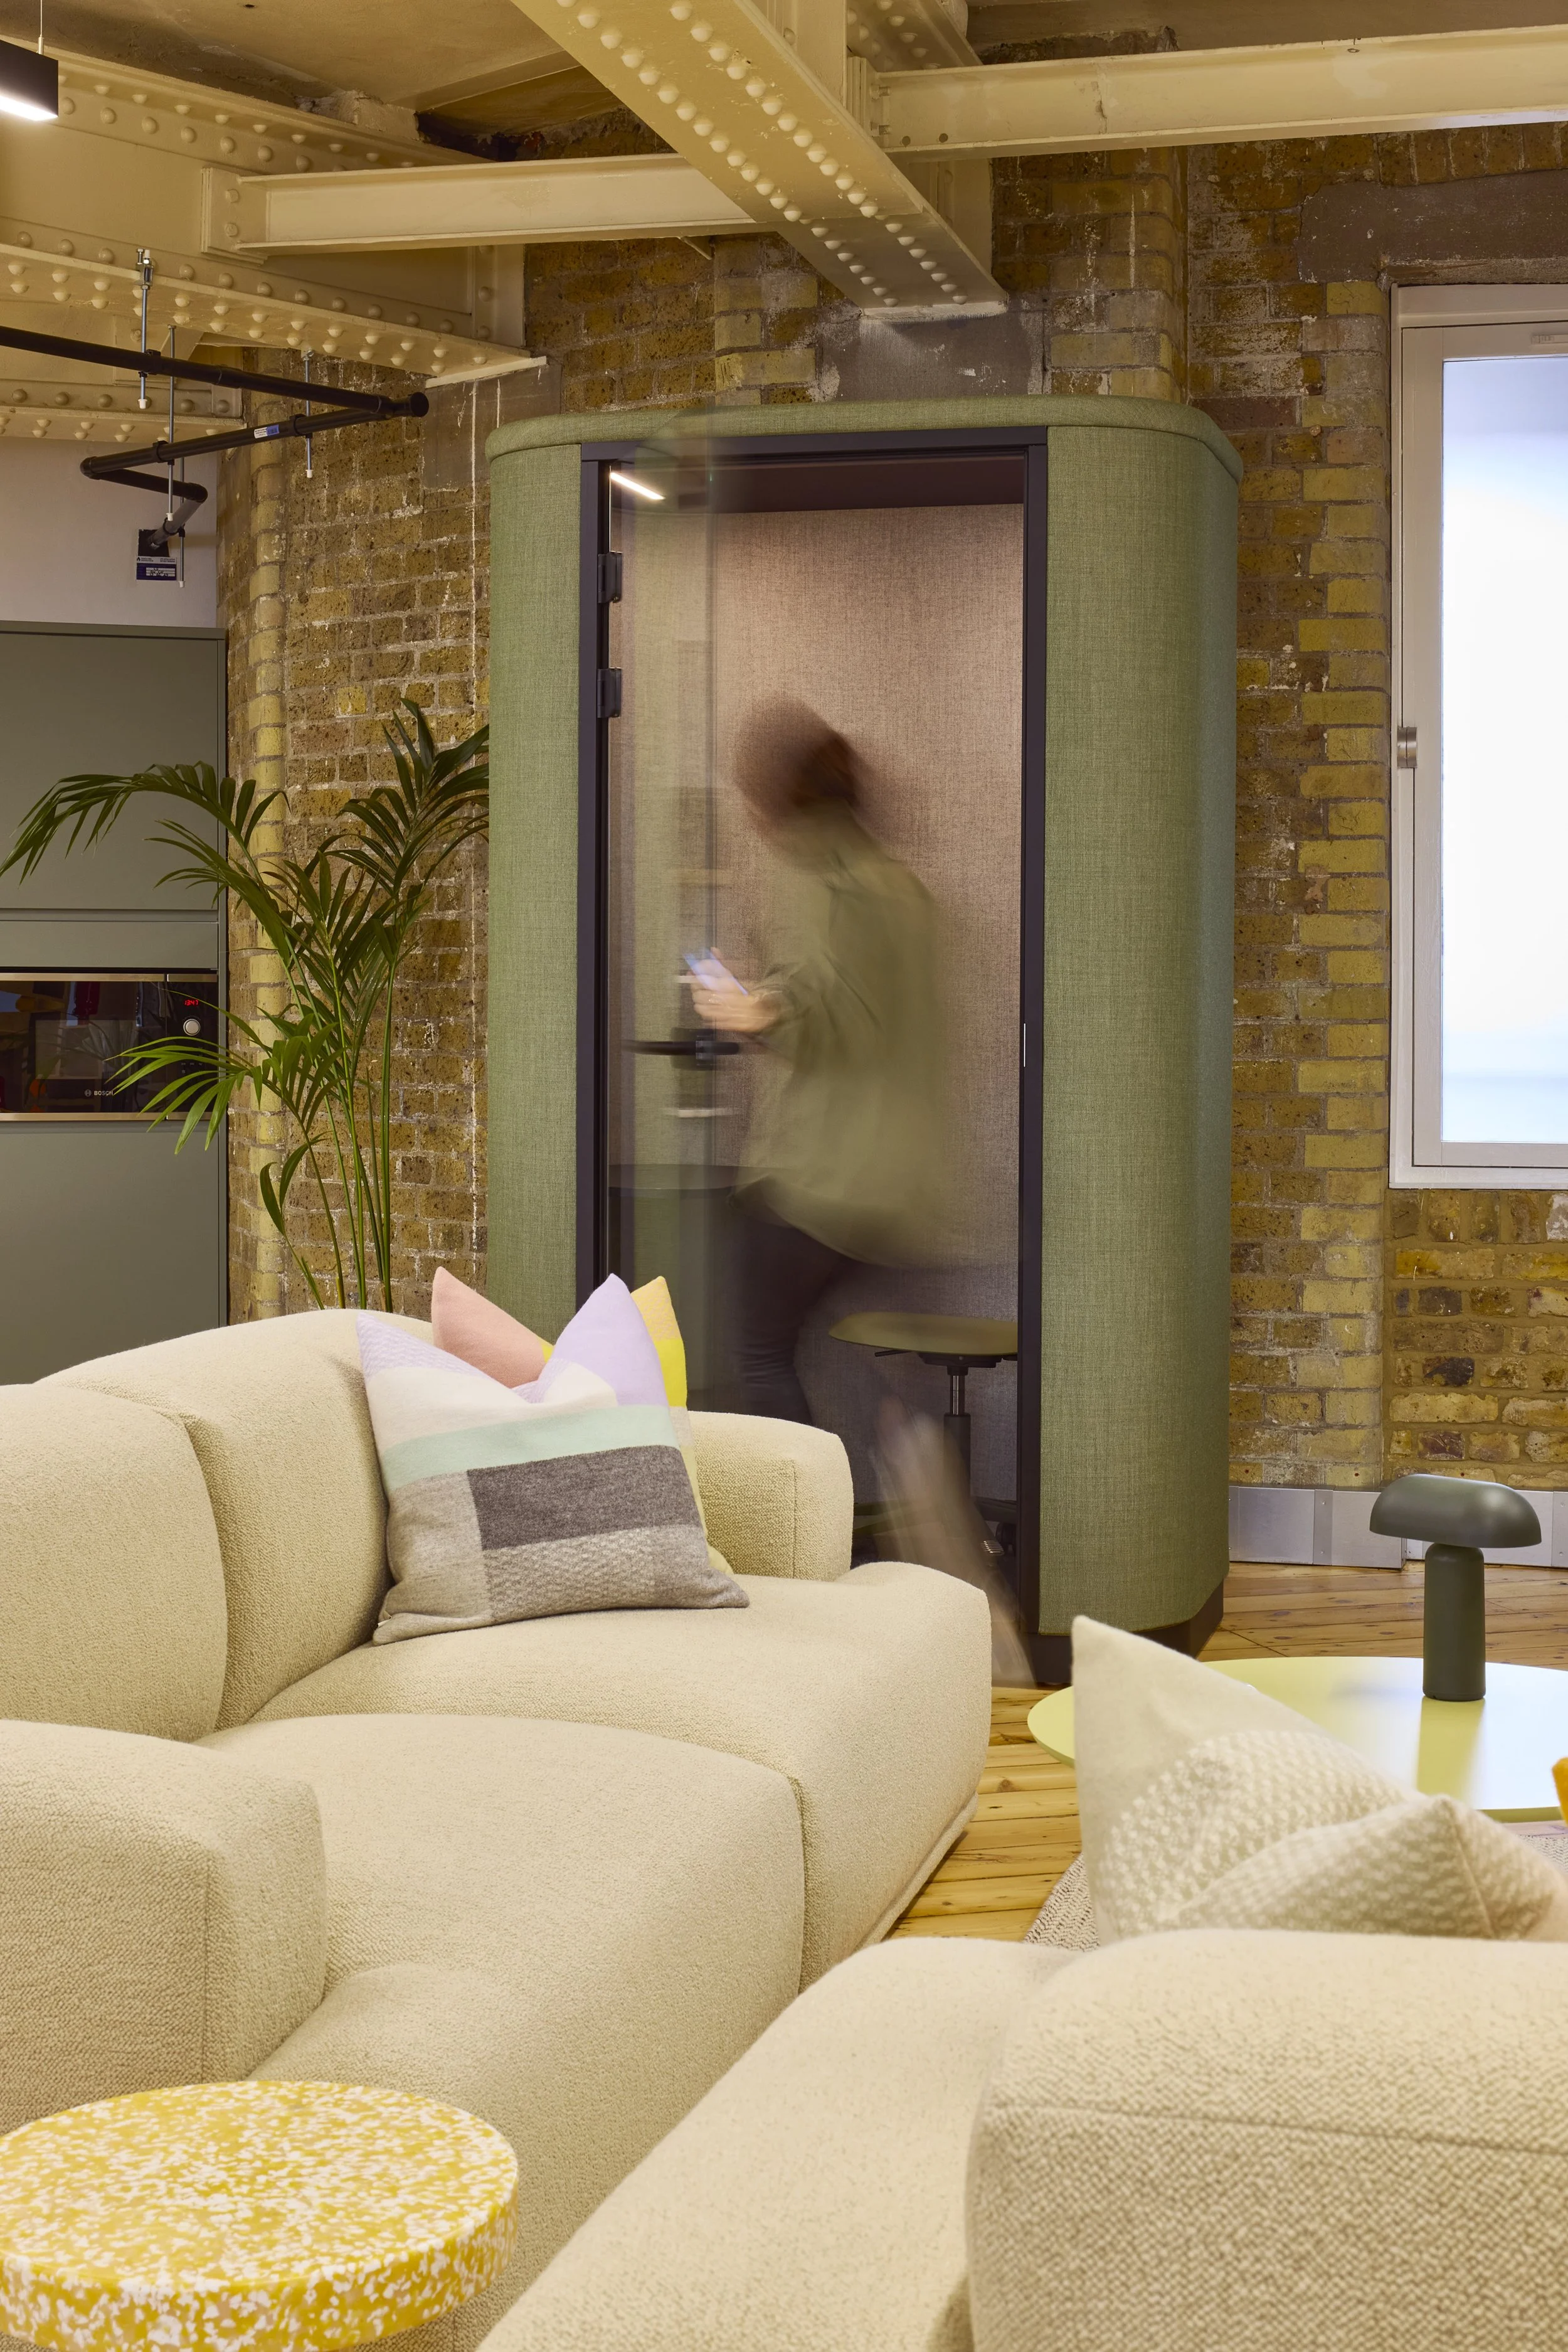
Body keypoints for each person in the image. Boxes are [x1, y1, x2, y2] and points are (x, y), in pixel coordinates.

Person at [687, 706, 949, 1424]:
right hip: (897, 1183)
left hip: (821, 1177)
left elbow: (839, 1019)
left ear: (775, 797)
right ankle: (905, 1470)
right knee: (855, 1365)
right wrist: (774, 1006)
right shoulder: (896, 884)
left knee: (757, 1355)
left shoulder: (818, 874)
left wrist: (757, 1012)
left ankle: (806, 1523)